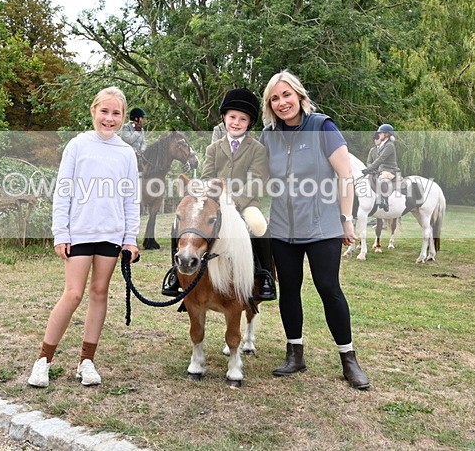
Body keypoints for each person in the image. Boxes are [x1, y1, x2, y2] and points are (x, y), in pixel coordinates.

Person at [259, 70, 370, 390]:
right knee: (289, 289)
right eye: (275, 98)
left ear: (299, 96)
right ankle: (295, 353)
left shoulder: (323, 127)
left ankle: (349, 360)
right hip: (282, 228)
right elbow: (260, 175)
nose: (282, 103)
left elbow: (344, 176)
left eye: (286, 95)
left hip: (322, 227)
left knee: (328, 288)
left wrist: (346, 219)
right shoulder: (269, 135)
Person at [27, 87, 140, 388]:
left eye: (116, 113)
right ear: (93, 111)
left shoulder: (126, 153)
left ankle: (86, 361)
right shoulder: (78, 146)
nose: (109, 118)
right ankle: (43, 360)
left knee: (99, 293)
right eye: (104, 111)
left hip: (111, 234)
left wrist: (131, 238)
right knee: (73, 294)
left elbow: (131, 199)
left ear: (123, 117)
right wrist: (60, 233)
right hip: (79, 232)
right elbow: (63, 191)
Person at [161, 88, 276, 301]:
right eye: (232, 117)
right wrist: (207, 195)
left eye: (243, 119)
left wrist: (235, 200)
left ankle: (264, 274)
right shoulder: (214, 148)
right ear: (224, 117)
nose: (236, 122)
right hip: (214, 201)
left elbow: (257, 181)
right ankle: (175, 274)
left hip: (245, 202)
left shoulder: (257, 149)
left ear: (249, 123)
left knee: (259, 225)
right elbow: (207, 176)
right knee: (177, 224)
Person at [362, 124, 399, 212]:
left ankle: (384, 200)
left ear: (386, 134)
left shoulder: (389, 145)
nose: (379, 134)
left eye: (381, 133)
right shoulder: (382, 145)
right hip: (382, 170)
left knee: (380, 178)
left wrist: (369, 169)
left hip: (391, 170)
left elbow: (380, 159)